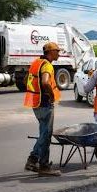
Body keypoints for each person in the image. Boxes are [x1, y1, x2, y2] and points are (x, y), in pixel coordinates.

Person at [23, 42, 62, 176]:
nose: (59, 53)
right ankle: (40, 163)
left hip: (36, 103)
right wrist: (51, 96)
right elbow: (45, 82)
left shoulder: (36, 63)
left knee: (43, 133)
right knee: (46, 135)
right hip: (45, 104)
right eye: (57, 51)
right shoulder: (47, 65)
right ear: (50, 52)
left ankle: (36, 161)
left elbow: (25, 81)